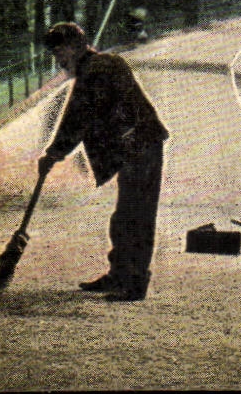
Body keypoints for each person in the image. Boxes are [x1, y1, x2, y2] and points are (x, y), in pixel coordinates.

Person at [37, 21, 169, 302]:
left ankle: (134, 283)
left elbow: (78, 116)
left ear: (73, 48)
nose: (58, 61)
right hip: (134, 148)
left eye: (59, 53)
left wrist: (54, 153)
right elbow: (81, 116)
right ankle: (120, 275)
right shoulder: (95, 68)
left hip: (141, 146)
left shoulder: (99, 68)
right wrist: (56, 152)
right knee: (125, 216)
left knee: (136, 216)